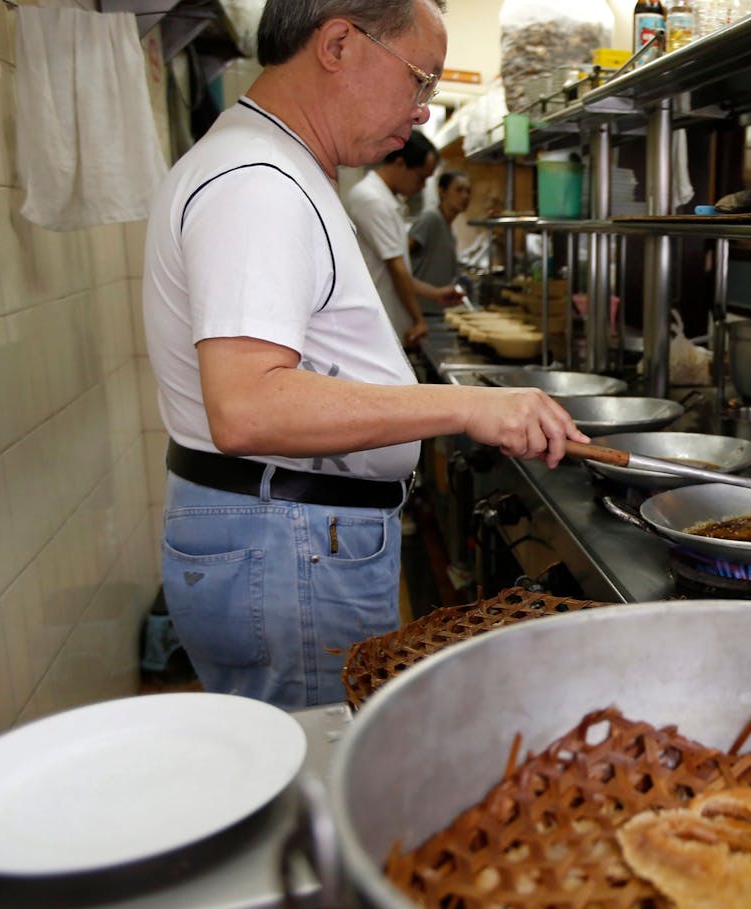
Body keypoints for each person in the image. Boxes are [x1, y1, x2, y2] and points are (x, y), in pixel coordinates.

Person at [141, 0, 587, 708]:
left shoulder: (273, 165)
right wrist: (470, 405)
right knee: (316, 778)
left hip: (288, 534)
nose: (421, 112)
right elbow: (248, 405)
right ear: (339, 44)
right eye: (419, 79)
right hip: (289, 544)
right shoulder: (258, 182)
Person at [344, 130, 454, 345]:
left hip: (386, 321)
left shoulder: (386, 200)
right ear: (400, 163)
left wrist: (435, 293)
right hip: (375, 323)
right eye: (421, 177)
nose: (422, 186)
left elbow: (396, 269)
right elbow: (396, 269)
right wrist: (419, 320)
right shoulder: (370, 199)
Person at [407, 169, 470, 308]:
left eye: (468, 191)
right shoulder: (431, 219)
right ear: (442, 191)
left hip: (436, 310)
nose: (465, 196)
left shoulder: (450, 231)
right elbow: (402, 256)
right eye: (459, 190)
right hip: (420, 311)